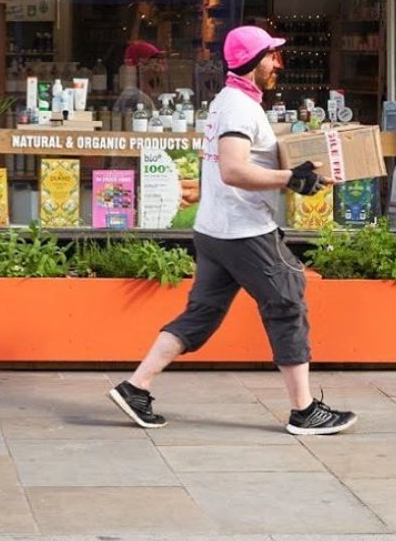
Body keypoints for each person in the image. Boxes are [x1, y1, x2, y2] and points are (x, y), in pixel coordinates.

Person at [108, 24, 357, 436]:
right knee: (287, 303)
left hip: (215, 230)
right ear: (254, 61)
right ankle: (304, 410)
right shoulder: (240, 107)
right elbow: (233, 169)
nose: (277, 61)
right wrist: (290, 178)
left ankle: (136, 386)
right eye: (271, 55)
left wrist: (295, 170)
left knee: (201, 314)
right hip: (244, 231)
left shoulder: (229, 101)